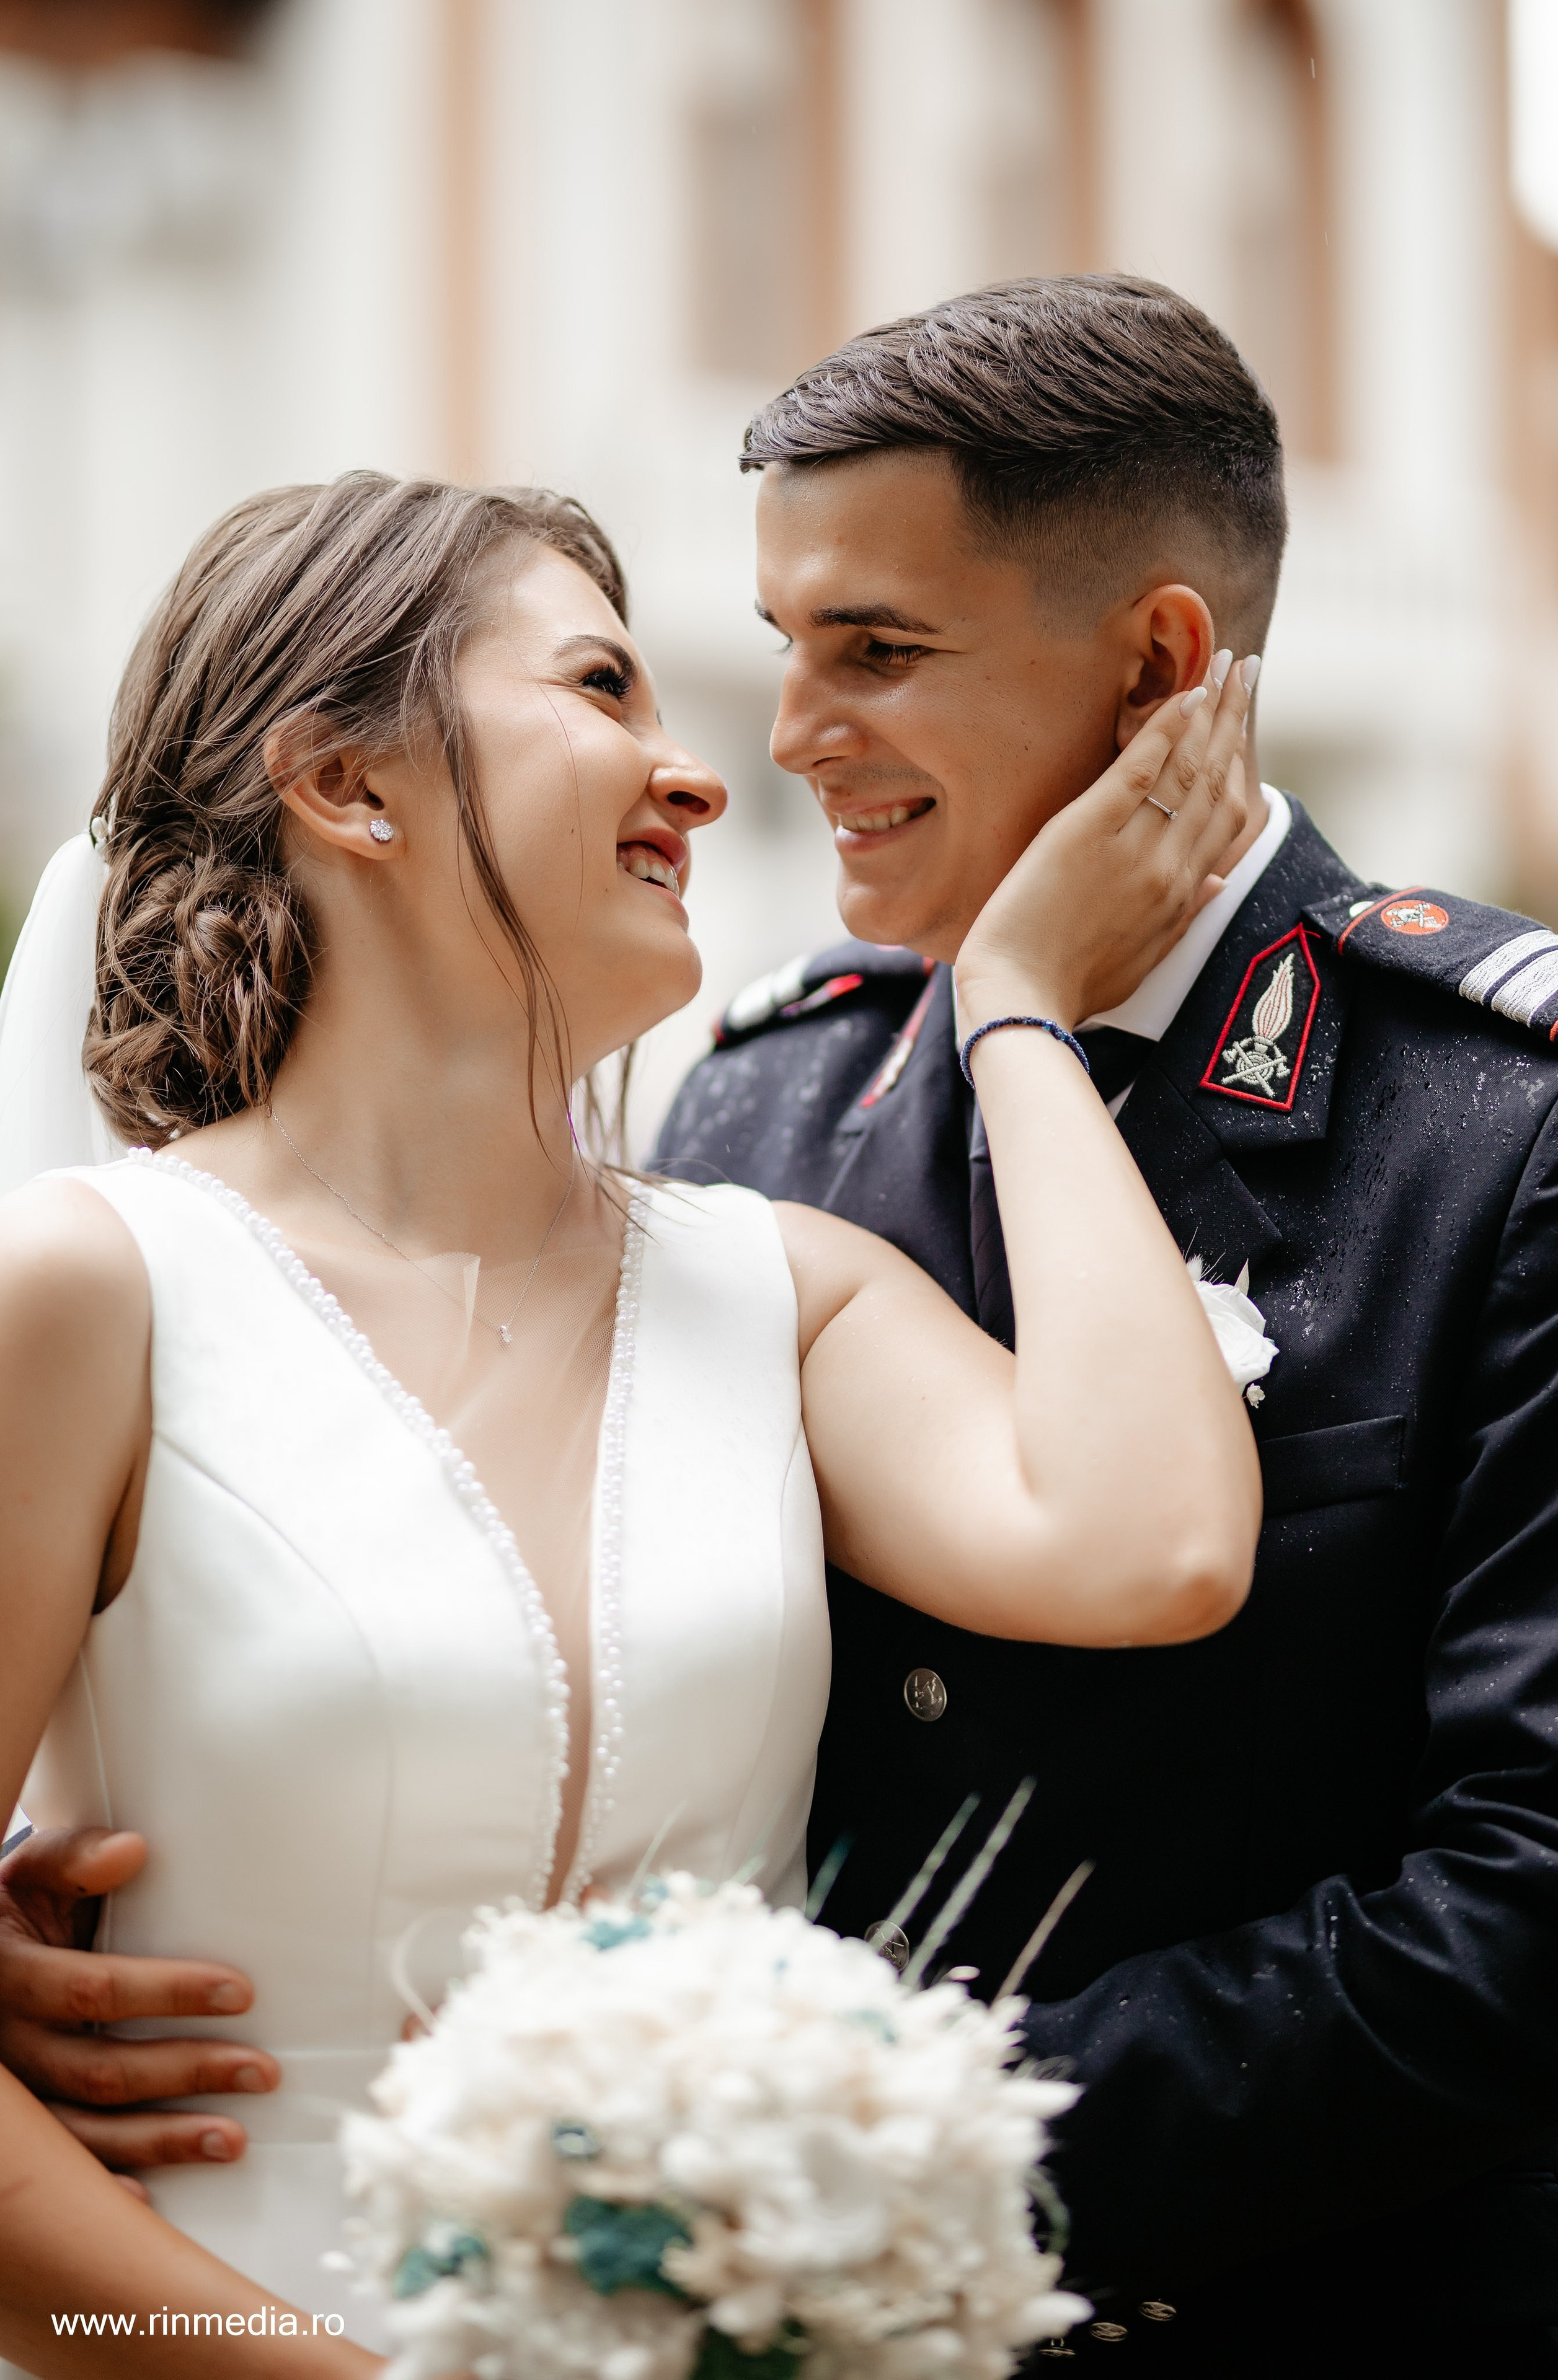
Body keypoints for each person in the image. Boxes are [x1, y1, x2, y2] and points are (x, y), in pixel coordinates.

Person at [0, 467, 1262, 2376]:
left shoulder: (787, 1292)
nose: (697, 776)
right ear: (348, 787)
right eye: (604, 689)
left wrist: (1012, 995)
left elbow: (1154, 1547)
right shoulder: (90, 1296)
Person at [649, 277, 1558, 2376]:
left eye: (877, 652)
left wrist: (899, 2158)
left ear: (1163, 662)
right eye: (788, 646)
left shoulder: (1520, 1128)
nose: (792, 734)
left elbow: (1545, 1905)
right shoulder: (764, 1093)